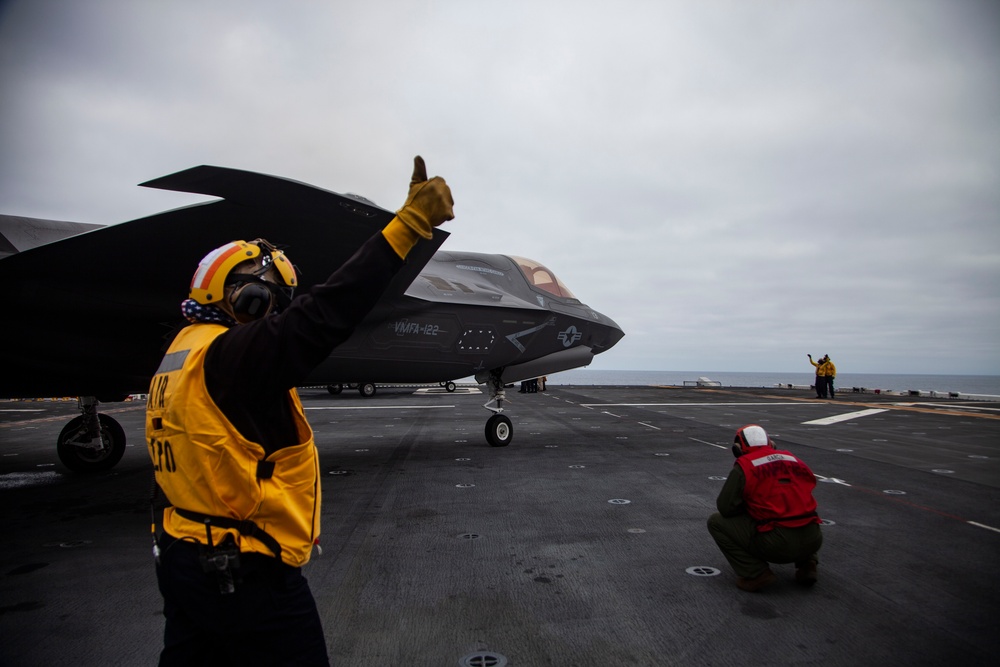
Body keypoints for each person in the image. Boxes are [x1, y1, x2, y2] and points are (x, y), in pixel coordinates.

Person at [145, 156, 455, 665]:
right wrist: (407, 228)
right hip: (244, 570)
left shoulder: (183, 352)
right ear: (244, 298)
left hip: (185, 555)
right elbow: (326, 314)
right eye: (270, 303)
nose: (275, 315)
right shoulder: (231, 356)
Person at [706, 424, 823, 592]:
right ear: (771, 444)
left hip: (777, 544)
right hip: (814, 538)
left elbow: (725, 508)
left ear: (738, 449)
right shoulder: (793, 459)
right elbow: (809, 485)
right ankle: (808, 565)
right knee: (799, 509)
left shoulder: (745, 465)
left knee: (715, 522)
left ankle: (756, 573)